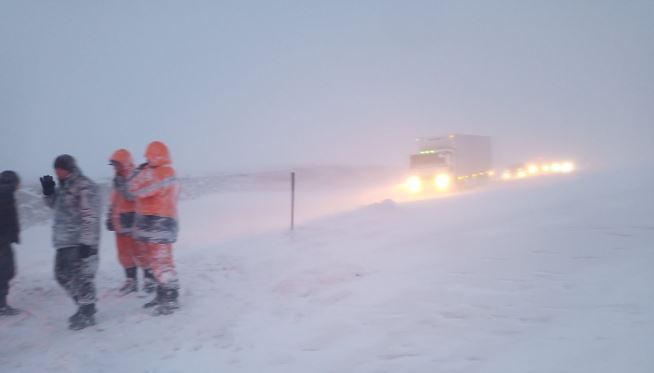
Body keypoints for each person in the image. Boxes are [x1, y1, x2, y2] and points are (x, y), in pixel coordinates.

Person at [40, 155, 101, 330]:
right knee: (61, 275)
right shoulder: (63, 187)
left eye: (60, 169)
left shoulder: (83, 185)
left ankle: (87, 311)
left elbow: (89, 214)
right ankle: (84, 304)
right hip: (63, 240)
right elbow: (55, 206)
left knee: (81, 276)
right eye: (55, 169)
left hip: (78, 240)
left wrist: (87, 242)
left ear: (69, 168)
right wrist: (48, 193)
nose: (57, 172)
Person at [124, 141, 180, 315]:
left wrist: (138, 172)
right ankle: (163, 295)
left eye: (149, 155)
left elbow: (133, 190)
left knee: (161, 262)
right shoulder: (168, 172)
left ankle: (170, 299)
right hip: (161, 222)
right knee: (158, 262)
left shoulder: (159, 173)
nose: (146, 158)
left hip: (158, 223)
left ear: (156, 155)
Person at [106, 149, 156, 295]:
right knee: (124, 255)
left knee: (141, 252)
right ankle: (131, 281)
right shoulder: (118, 178)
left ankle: (149, 279)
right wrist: (109, 216)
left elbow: (131, 196)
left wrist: (121, 184)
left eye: (117, 164)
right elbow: (114, 200)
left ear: (125, 163)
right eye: (113, 165)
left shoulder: (136, 175)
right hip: (120, 223)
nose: (115, 168)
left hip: (134, 220)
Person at [0, 170, 21, 316]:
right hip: (2, 241)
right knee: (5, 271)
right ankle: (1, 305)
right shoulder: (6, 193)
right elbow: (8, 218)